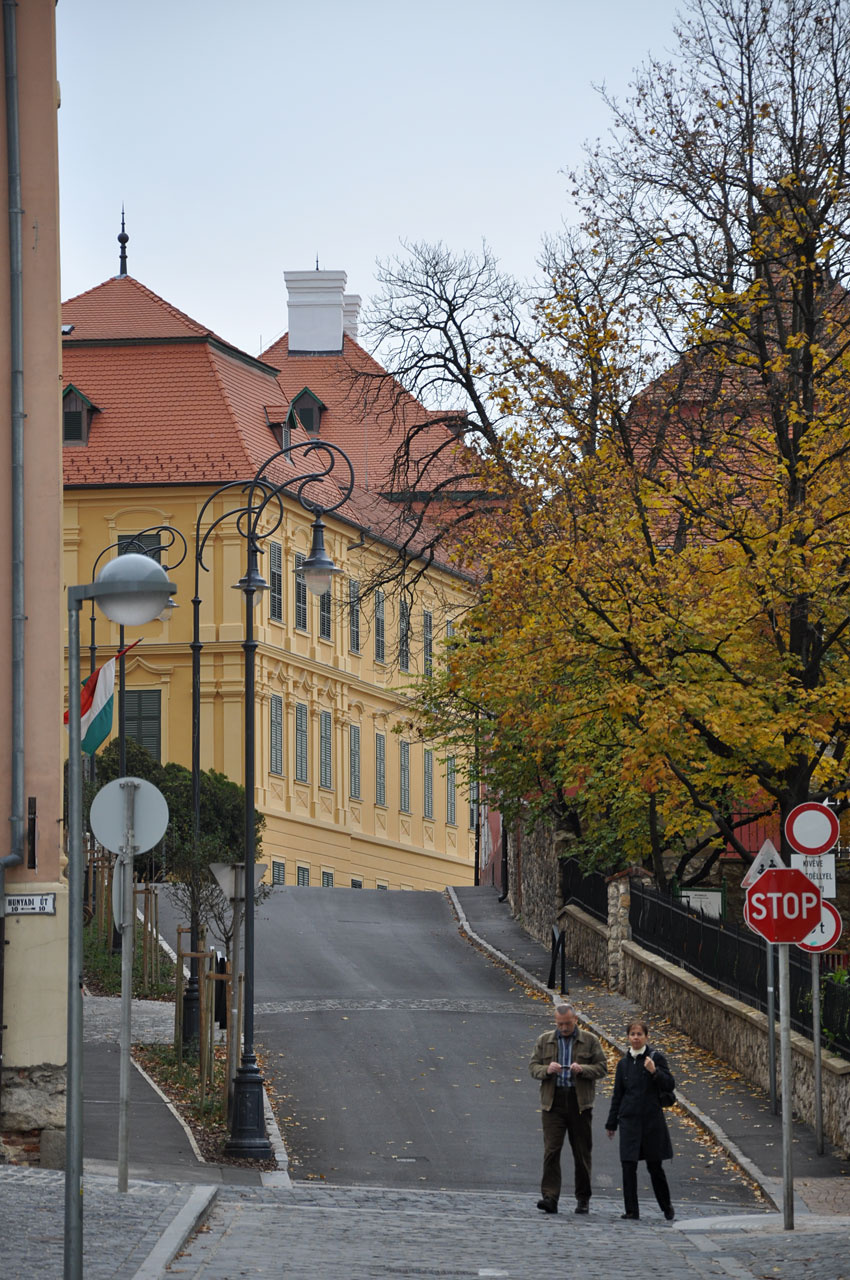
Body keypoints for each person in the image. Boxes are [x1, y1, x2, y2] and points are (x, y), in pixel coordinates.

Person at [529, 1001, 608, 1215]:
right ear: (555, 1022)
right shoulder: (545, 1040)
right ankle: (550, 1197)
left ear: (576, 1020)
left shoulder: (590, 1041)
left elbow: (602, 1067)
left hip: (579, 1102)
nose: (564, 1028)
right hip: (553, 1103)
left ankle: (583, 1199)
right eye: (560, 1024)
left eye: (567, 1024)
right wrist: (547, 1069)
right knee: (552, 1151)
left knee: (581, 1153)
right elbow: (533, 1067)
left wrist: (583, 1069)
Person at [605, 1019, 676, 1222]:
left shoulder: (655, 1058)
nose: (636, 1038)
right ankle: (631, 1210)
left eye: (639, 1034)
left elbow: (670, 1084)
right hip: (629, 1121)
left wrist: (655, 1071)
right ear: (628, 1037)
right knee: (628, 1166)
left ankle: (666, 1206)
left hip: (651, 1122)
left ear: (646, 1037)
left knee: (655, 1167)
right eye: (632, 1034)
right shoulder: (623, 1064)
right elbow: (618, 1095)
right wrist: (612, 1123)